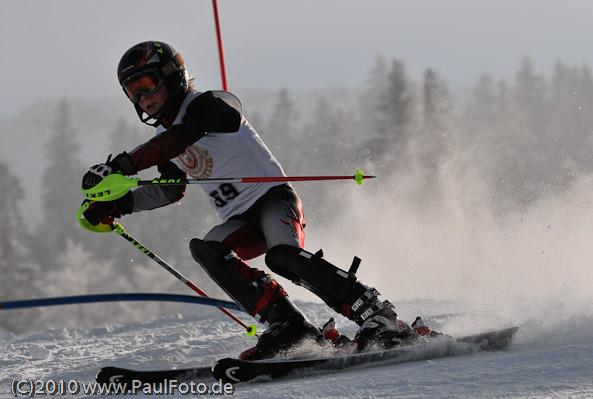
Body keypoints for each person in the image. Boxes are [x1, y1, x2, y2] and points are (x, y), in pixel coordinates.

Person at [81, 41, 434, 360]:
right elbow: (170, 189)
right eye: (132, 91)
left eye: (146, 84)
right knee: (207, 247)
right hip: (241, 221)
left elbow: (184, 135)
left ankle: (377, 315)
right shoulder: (163, 139)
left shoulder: (209, 105)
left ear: (173, 76)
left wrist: (121, 165)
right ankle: (288, 326)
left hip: (273, 200)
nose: (142, 97)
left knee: (281, 256)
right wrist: (118, 204)